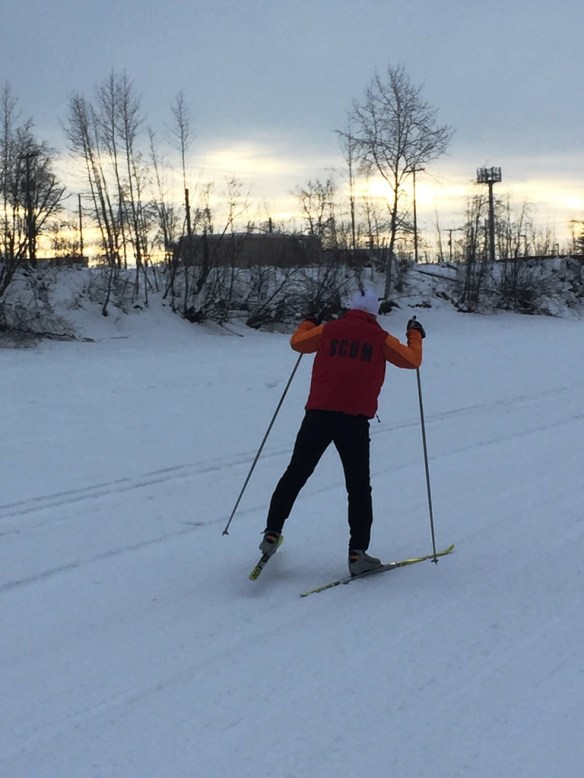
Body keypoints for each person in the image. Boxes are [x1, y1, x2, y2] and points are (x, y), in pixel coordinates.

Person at [258, 288, 425, 575]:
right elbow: (412, 361)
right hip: (354, 422)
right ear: (374, 313)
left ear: (351, 308)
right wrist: (416, 334)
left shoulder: (328, 330)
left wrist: (308, 324)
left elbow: (298, 344)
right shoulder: (380, 338)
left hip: (318, 417)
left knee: (295, 474)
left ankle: (272, 534)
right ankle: (357, 554)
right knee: (358, 487)